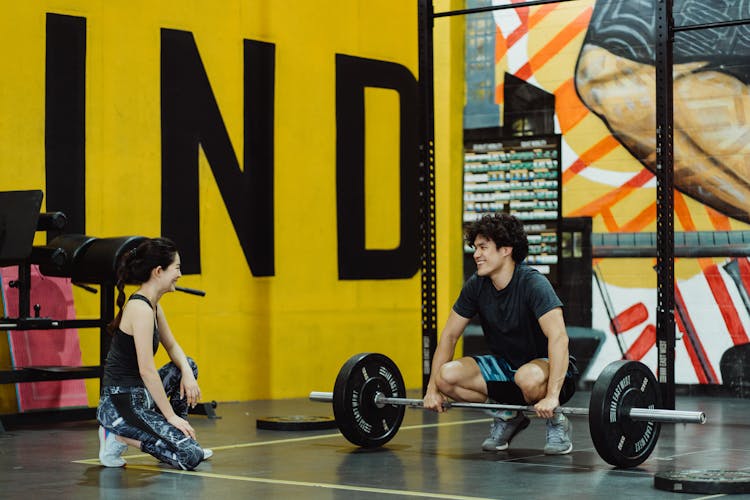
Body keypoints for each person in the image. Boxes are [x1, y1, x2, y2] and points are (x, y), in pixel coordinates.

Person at [423, 213, 577, 454]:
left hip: (549, 370)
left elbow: (559, 338)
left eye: (483, 247)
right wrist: (432, 388)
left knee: (527, 377)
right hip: (507, 368)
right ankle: (507, 415)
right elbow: (449, 336)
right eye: (475, 248)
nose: (476, 254)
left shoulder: (533, 283)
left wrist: (552, 396)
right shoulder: (476, 285)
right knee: (446, 377)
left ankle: (556, 421)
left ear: (506, 249)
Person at [96, 237, 212, 470]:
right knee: (190, 457)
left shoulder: (153, 306)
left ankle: (181, 437)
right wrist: (170, 417)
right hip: (121, 403)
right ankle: (118, 436)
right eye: (176, 268)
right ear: (158, 271)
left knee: (186, 365)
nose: (180, 274)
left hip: (141, 396)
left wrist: (188, 372)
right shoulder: (140, 309)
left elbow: (172, 347)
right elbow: (147, 370)